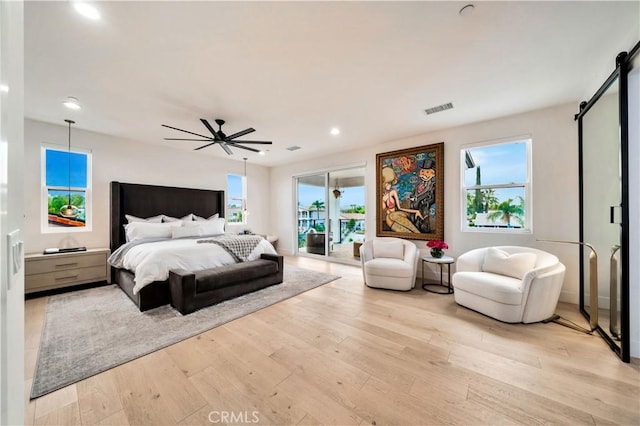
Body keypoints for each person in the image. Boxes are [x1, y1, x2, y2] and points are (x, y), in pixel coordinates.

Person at [381, 166, 423, 233]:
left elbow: (400, 208)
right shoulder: (380, 198)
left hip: (399, 214)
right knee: (391, 217)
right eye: (388, 183)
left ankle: (418, 232)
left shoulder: (393, 192)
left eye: (391, 183)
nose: (390, 185)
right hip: (390, 219)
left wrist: (415, 211)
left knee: (393, 215)